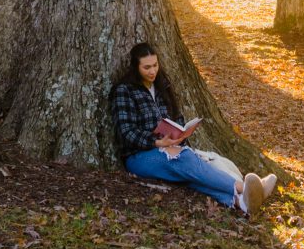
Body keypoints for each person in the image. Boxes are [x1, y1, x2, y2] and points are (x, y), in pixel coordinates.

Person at [110, 41, 277, 216]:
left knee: (191, 175)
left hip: (169, 147)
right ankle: (243, 187)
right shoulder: (125, 90)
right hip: (139, 157)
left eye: (155, 65)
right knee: (186, 158)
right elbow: (126, 132)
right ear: (136, 68)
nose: (152, 71)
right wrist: (157, 142)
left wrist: (181, 132)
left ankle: (241, 203)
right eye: (146, 67)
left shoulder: (161, 85)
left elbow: (175, 116)